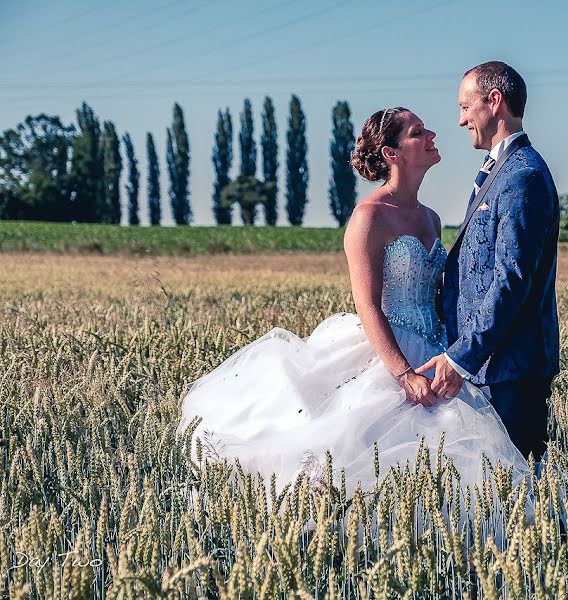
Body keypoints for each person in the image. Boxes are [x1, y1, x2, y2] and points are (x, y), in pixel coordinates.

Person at [178, 107, 528, 494]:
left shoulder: (430, 218)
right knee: (362, 458)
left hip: (434, 350)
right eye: (417, 132)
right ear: (391, 154)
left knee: (443, 465)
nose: (432, 135)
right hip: (387, 353)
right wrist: (403, 374)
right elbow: (368, 305)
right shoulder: (368, 217)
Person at [418, 61, 561, 471]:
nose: (461, 119)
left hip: (509, 369)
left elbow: (510, 279)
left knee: (518, 494)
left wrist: (461, 356)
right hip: (492, 365)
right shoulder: (503, 170)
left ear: (494, 101)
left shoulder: (523, 175)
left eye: (466, 107)